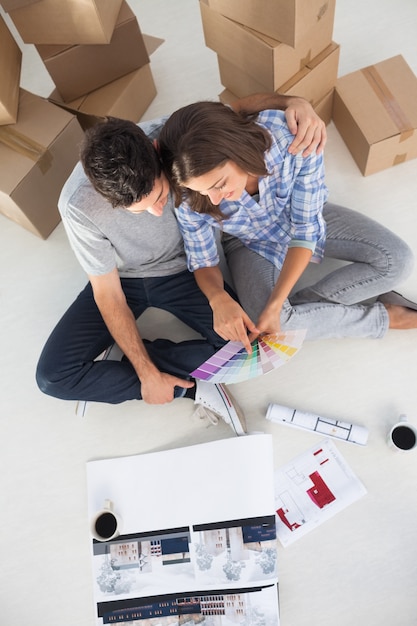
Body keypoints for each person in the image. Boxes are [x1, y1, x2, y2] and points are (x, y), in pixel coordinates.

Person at [35, 94, 327, 434]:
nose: (158, 212)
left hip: (185, 268)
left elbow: (235, 109)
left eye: (161, 197)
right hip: (122, 281)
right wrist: (145, 373)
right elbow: (108, 295)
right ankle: (190, 385)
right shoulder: (77, 205)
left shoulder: (175, 137)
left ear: (160, 153)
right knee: (52, 378)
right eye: (141, 209)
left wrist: (295, 102)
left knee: (251, 349)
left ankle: (122, 361)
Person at [158, 101, 417, 354]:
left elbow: (306, 230)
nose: (214, 199)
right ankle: (386, 317)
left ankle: (294, 317)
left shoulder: (289, 138)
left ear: (236, 150)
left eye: (219, 184)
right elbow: (202, 259)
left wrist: (277, 304)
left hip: (301, 216)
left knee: (399, 261)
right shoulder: (189, 195)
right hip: (247, 243)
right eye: (203, 191)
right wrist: (218, 298)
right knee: (273, 321)